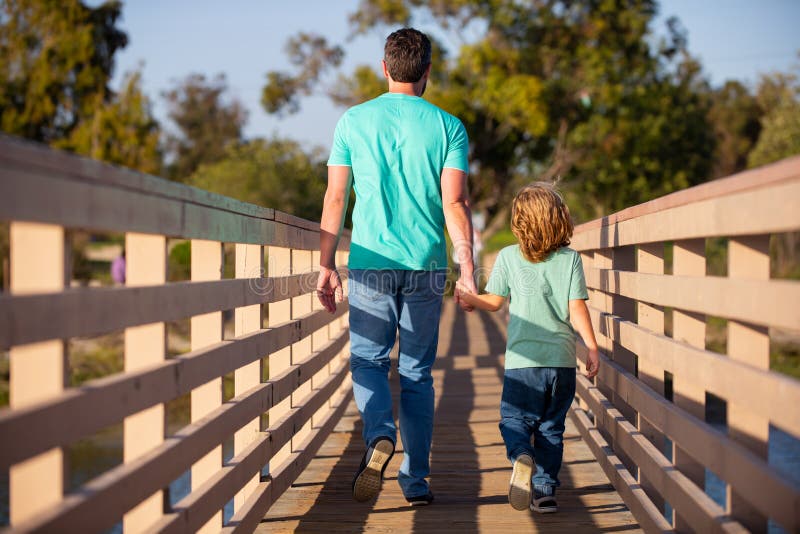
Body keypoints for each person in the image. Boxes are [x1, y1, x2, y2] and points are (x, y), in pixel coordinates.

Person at [315, 27, 476, 506]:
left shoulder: (352, 122)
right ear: (427, 72)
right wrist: (467, 270)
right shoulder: (449, 127)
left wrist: (326, 265)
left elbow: (336, 197)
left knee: (367, 360)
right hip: (426, 265)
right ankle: (417, 482)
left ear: (384, 69)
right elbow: (456, 202)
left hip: (369, 265)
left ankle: (380, 434)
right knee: (417, 373)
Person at [456, 182, 600, 513]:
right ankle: (545, 492)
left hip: (523, 362)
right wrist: (591, 348)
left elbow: (493, 303)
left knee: (513, 419)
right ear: (560, 219)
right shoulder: (571, 259)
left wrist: (469, 297)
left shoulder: (508, 256)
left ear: (519, 223)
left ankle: (522, 454)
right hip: (561, 363)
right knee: (552, 428)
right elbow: (577, 308)